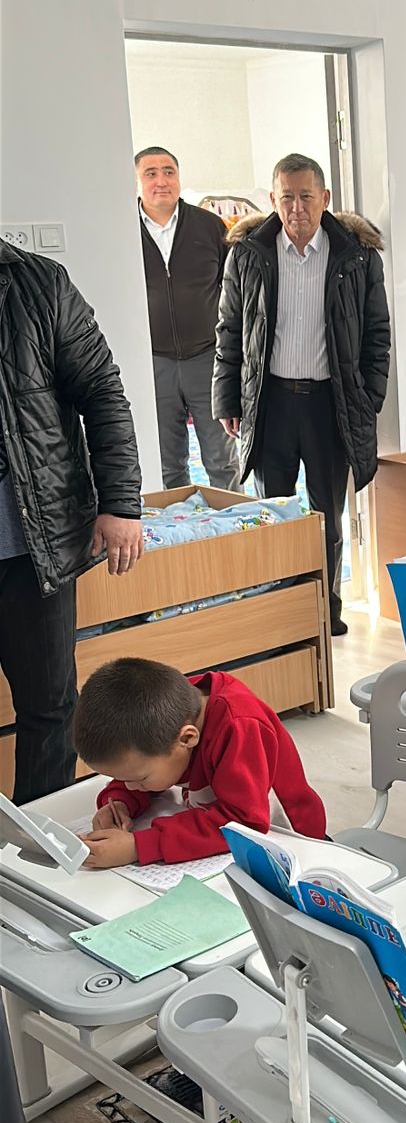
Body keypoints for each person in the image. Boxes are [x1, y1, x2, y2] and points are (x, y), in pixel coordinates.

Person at [212, 155, 391, 635]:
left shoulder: (356, 256)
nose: (296, 208)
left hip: (330, 404)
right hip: (270, 403)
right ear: (273, 199)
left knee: (327, 515)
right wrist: (227, 399)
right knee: (274, 516)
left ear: (325, 199)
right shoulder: (248, 253)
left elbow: (377, 335)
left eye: (306, 197)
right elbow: (229, 330)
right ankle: (282, 614)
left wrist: (367, 399)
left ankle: (325, 609)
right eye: (287, 197)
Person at [0, 243, 143, 804]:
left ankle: (38, 843)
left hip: (31, 547)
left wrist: (121, 503)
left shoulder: (39, 283)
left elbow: (103, 392)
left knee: (49, 708)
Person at [73, 657, 326, 866]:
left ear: (187, 738)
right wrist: (120, 800)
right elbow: (138, 766)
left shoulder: (239, 727)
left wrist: (139, 847)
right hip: (223, 820)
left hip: (292, 844)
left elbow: (243, 824)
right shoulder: (169, 715)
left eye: (139, 779)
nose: (130, 786)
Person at [136, 146, 240, 492]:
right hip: (154, 362)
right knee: (167, 465)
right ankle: (178, 525)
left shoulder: (210, 226)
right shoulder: (122, 230)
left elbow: (234, 293)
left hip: (208, 359)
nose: (161, 181)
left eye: (169, 172)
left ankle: (233, 523)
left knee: (222, 460)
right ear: (137, 181)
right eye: (151, 173)